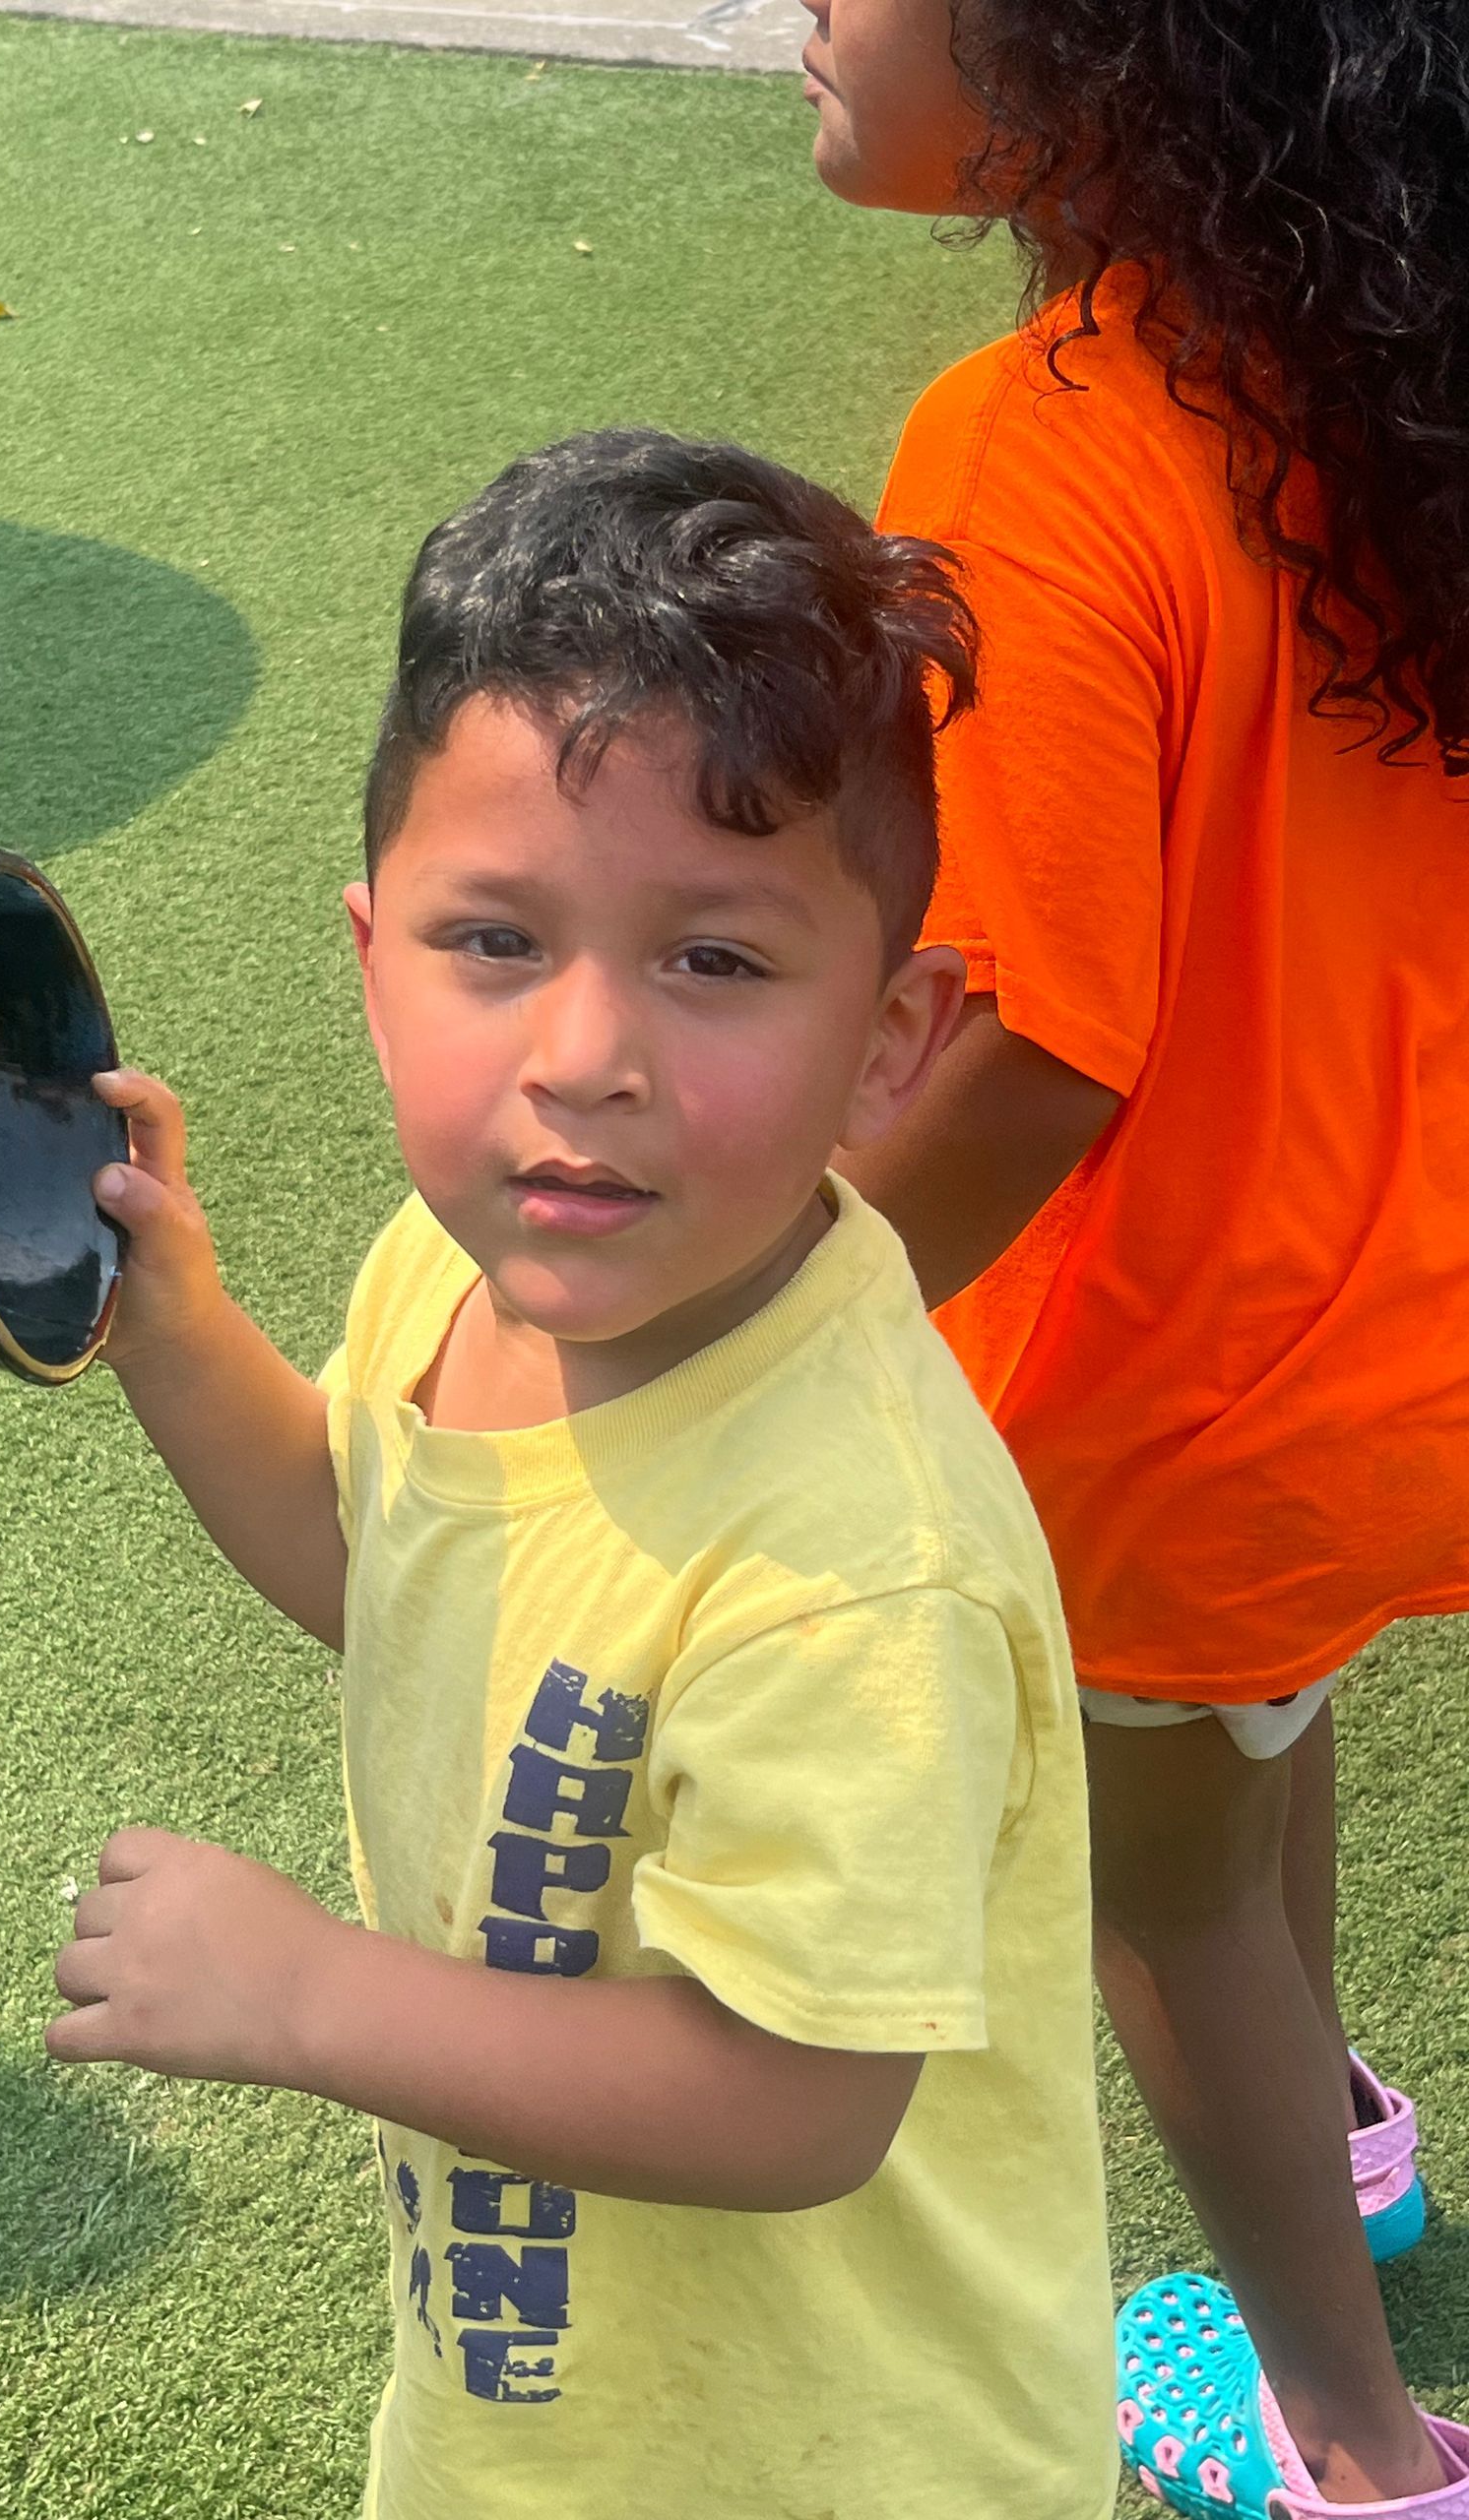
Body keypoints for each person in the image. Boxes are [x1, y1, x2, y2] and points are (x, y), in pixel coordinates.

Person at [42, 427, 1117, 2519]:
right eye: (494, 940)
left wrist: (311, 1992)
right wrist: (180, 1335)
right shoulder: (464, 1272)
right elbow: (387, 1551)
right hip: (553, 2409)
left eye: (715, 958)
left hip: (839, 2460)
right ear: (368, 957)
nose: (584, 1053)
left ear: (891, 1036)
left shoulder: (852, 1557)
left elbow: (799, 2091)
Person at [798, 0, 1469, 2512]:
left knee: (1156, 1887)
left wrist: (745, 1333)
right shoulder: (1376, 358)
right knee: (1259, 1735)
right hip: (1392, 1317)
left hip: (1176, 1390)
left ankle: (1358, 2445)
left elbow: (1040, 1050)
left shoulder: (1043, 432)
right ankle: (1360, 2124)